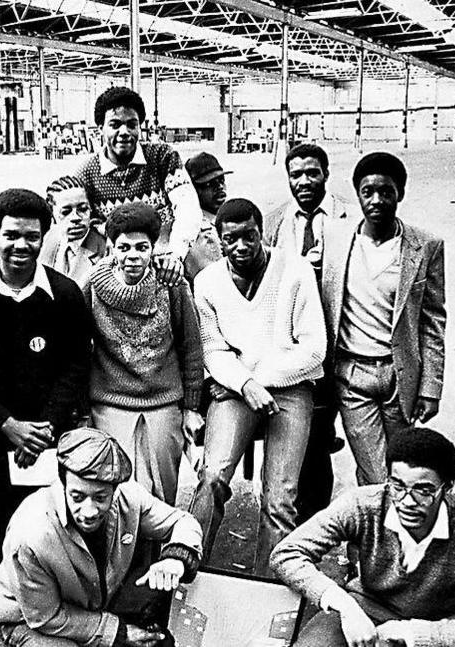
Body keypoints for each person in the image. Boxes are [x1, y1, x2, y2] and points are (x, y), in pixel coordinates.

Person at [0, 187, 93, 573]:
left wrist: (44, 427)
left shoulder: (64, 295)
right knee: (5, 525)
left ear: (45, 236)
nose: (21, 245)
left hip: (50, 431)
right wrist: (9, 426)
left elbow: (76, 365)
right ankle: (9, 606)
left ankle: (55, 600)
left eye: (32, 236)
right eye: (11, 235)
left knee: (54, 523)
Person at [270, 428, 455, 647]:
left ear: (448, 487)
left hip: (437, 625)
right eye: (398, 485)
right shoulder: (364, 504)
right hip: (364, 607)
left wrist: (412, 634)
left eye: (423, 490)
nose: (407, 501)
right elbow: (287, 553)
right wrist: (344, 606)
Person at [189, 197, 327, 575]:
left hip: (289, 386)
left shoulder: (296, 270)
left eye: (249, 236)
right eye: (230, 239)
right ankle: (187, 569)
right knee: (213, 475)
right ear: (218, 240)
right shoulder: (208, 281)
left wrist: (252, 381)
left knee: (280, 496)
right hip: (238, 385)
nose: (241, 246)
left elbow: (314, 349)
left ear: (261, 232)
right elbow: (212, 348)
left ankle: (269, 588)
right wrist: (243, 383)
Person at [0, 427, 203, 647]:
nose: (89, 511)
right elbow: (45, 618)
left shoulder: (129, 496)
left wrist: (175, 558)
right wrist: (119, 633)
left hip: (89, 603)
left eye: (101, 497)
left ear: (114, 489)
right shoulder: (29, 534)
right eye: (77, 497)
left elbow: (183, 522)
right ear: (62, 485)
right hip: (27, 619)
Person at [323, 151, 446, 485]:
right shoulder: (334, 239)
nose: (376, 199)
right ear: (358, 194)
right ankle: (373, 533)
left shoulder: (426, 246)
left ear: (400, 194)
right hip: (351, 375)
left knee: (398, 469)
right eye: (367, 191)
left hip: (400, 377)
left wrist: (430, 388)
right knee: (376, 473)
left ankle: (377, 535)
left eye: (386, 191)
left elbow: (433, 321)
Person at [84, 202, 204, 505]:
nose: (133, 256)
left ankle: (160, 553)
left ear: (154, 248)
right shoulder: (93, 288)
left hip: (163, 401)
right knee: (120, 493)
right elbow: (77, 351)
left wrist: (191, 408)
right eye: (123, 247)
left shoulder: (171, 285)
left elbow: (190, 348)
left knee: (161, 494)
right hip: (112, 402)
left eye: (142, 247)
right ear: (110, 247)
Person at [265, 142, 352, 522]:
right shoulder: (272, 224)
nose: (303, 181)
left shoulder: (350, 219)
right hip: (290, 348)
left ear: (326, 175)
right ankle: (285, 514)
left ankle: (313, 523)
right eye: (295, 174)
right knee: (288, 438)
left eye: (311, 173)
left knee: (317, 441)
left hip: (335, 345)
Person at [74, 86, 201, 285]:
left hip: (168, 260)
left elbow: (188, 209)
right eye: (115, 124)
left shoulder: (162, 157)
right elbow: (81, 225)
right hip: (120, 269)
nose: (124, 132)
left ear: (140, 127)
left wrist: (175, 255)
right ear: (100, 129)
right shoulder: (86, 173)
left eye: (131, 124)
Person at [41, 175, 108, 286]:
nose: (75, 217)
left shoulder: (105, 250)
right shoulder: (46, 240)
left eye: (82, 209)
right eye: (66, 212)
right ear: (52, 214)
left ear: (91, 209)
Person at [181, 151, 227, 282]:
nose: (219, 187)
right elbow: (215, 282)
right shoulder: (197, 230)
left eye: (221, 180)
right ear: (194, 190)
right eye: (210, 184)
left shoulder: (223, 217)